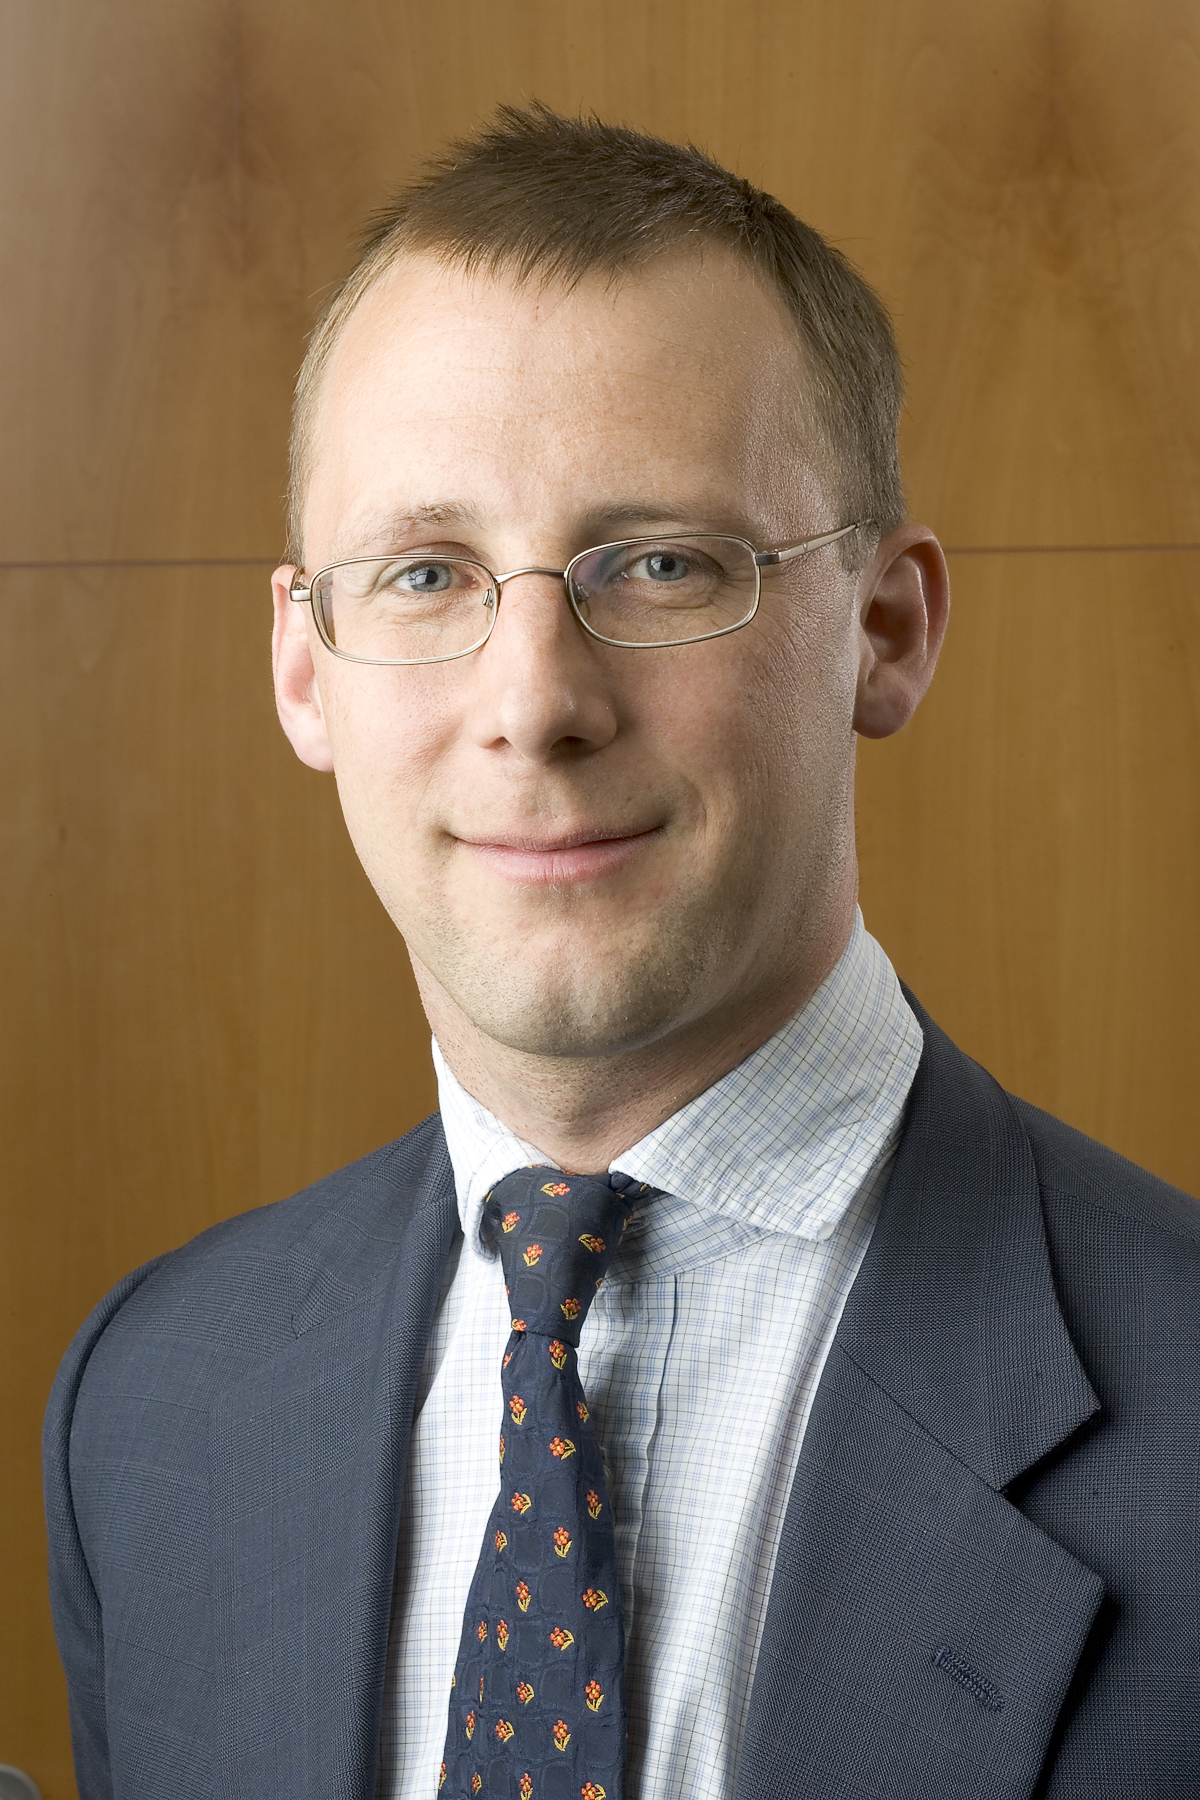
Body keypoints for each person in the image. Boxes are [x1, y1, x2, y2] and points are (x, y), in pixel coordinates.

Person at [44, 104, 1199, 1800]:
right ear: (306, 672)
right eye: (427, 573)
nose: (534, 703)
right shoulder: (148, 1404)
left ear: (884, 631)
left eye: (661, 564)